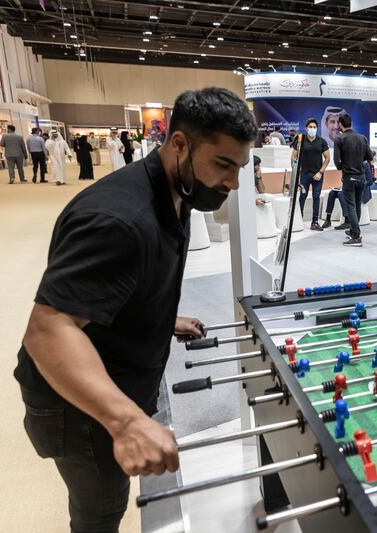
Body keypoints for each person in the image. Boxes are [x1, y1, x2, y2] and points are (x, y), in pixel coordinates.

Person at [15, 87, 257, 533]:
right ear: (179, 143)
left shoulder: (179, 188)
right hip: (79, 411)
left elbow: (121, 284)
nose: (233, 183)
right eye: (223, 164)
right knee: (100, 515)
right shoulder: (119, 220)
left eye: (240, 167)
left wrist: (161, 318)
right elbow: (48, 330)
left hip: (117, 380)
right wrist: (124, 421)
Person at [333, 113, 372, 247]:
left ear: (340, 125)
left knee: (351, 207)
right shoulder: (362, 138)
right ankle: (353, 230)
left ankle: (356, 236)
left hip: (349, 177)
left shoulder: (339, 139)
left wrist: (343, 165)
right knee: (357, 205)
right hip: (361, 177)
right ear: (351, 123)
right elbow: (369, 156)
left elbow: (337, 163)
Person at [292, 117, 331, 231]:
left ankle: (314, 222)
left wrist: (320, 172)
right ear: (306, 128)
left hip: (317, 175)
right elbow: (294, 156)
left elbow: (327, 157)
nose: (312, 129)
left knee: (316, 197)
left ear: (317, 128)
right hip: (304, 174)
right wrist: (295, 171)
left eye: (314, 127)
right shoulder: (300, 140)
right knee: (302, 197)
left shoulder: (322, 141)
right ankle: (298, 220)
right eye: (310, 127)